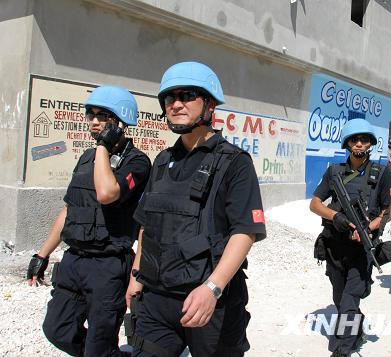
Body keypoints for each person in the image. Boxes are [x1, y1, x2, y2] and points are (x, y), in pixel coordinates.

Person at [126, 61, 266, 357]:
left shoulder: (235, 162)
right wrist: (136, 276)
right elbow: (147, 226)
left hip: (209, 301)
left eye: (187, 95)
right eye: (169, 98)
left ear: (209, 105)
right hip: (157, 300)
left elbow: (245, 232)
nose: (176, 104)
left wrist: (212, 289)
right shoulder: (162, 161)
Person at [26, 86, 151, 356]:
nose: (94, 121)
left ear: (121, 121)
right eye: (91, 114)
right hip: (74, 261)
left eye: (104, 116)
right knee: (57, 329)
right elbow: (70, 209)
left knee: (99, 343)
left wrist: (104, 147)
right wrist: (42, 254)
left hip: (108, 266)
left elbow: (107, 194)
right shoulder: (87, 158)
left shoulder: (138, 162)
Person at [310, 119, 391, 357]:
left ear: (370, 144)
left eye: (364, 140)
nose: (359, 144)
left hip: (361, 249)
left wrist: (369, 228)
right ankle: (355, 331)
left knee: (349, 300)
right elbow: (315, 204)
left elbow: (387, 211)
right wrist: (334, 215)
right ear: (347, 143)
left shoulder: (382, 173)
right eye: (354, 139)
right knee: (339, 298)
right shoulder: (334, 172)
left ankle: (343, 350)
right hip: (335, 246)